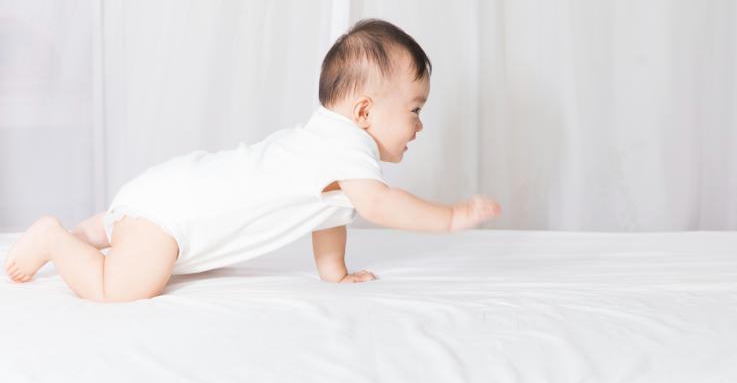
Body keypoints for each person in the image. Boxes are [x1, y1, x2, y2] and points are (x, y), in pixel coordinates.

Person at [3, 18, 502, 301]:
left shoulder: (325, 147)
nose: (420, 126)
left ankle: (84, 233)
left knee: (117, 226)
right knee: (119, 288)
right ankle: (53, 237)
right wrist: (452, 216)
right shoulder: (347, 156)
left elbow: (329, 212)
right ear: (365, 111)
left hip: (173, 186)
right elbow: (379, 205)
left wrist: (335, 270)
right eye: (415, 110)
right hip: (173, 217)